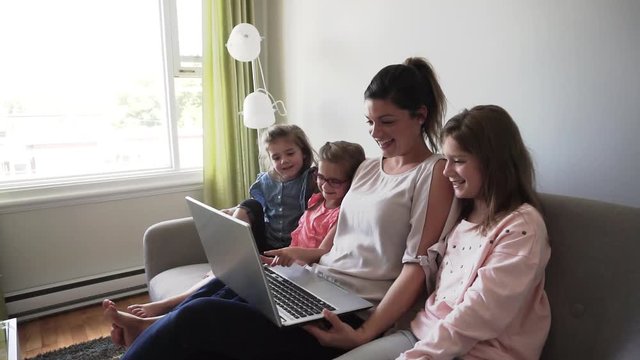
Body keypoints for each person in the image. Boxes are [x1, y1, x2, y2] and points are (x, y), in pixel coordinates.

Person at [106, 57, 458, 360]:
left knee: (201, 316)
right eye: (369, 121)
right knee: (232, 284)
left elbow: (417, 269)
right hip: (317, 286)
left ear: (420, 116)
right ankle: (150, 330)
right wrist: (299, 256)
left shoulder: (434, 173)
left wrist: (365, 333)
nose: (375, 132)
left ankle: (152, 336)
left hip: (351, 312)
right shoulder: (367, 167)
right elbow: (338, 242)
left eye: (387, 121)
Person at [334, 105, 551, 360]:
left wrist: (417, 357)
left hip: (483, 352)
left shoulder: (522, 227)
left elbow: (479, 314)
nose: (446, 172)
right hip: (423, 335)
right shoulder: (461, 214)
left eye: (458, 161)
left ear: (494, 164)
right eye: (446, 159)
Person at [121, 140, 365, 320]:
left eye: (335, 181)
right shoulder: (315, 200)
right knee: (229, 278)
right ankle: (166, 312)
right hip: (283, 264)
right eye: (321, 177)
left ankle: (165, 314)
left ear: (353, 182)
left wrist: (290, 253)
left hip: (298, 270)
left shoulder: (342, 212)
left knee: (230, 288)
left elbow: (323, 251)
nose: (325, 185)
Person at [228, 123, 318, 253]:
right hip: (266, 245)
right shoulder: (265, 181)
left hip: (295, 248)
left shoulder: (310, 179)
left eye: (290, 153)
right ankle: (232, 257)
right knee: (249, 204)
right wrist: (233, 210)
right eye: (276, 157)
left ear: (303, 152)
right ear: (270, 160)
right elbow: (257, 207)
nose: (284, 160)